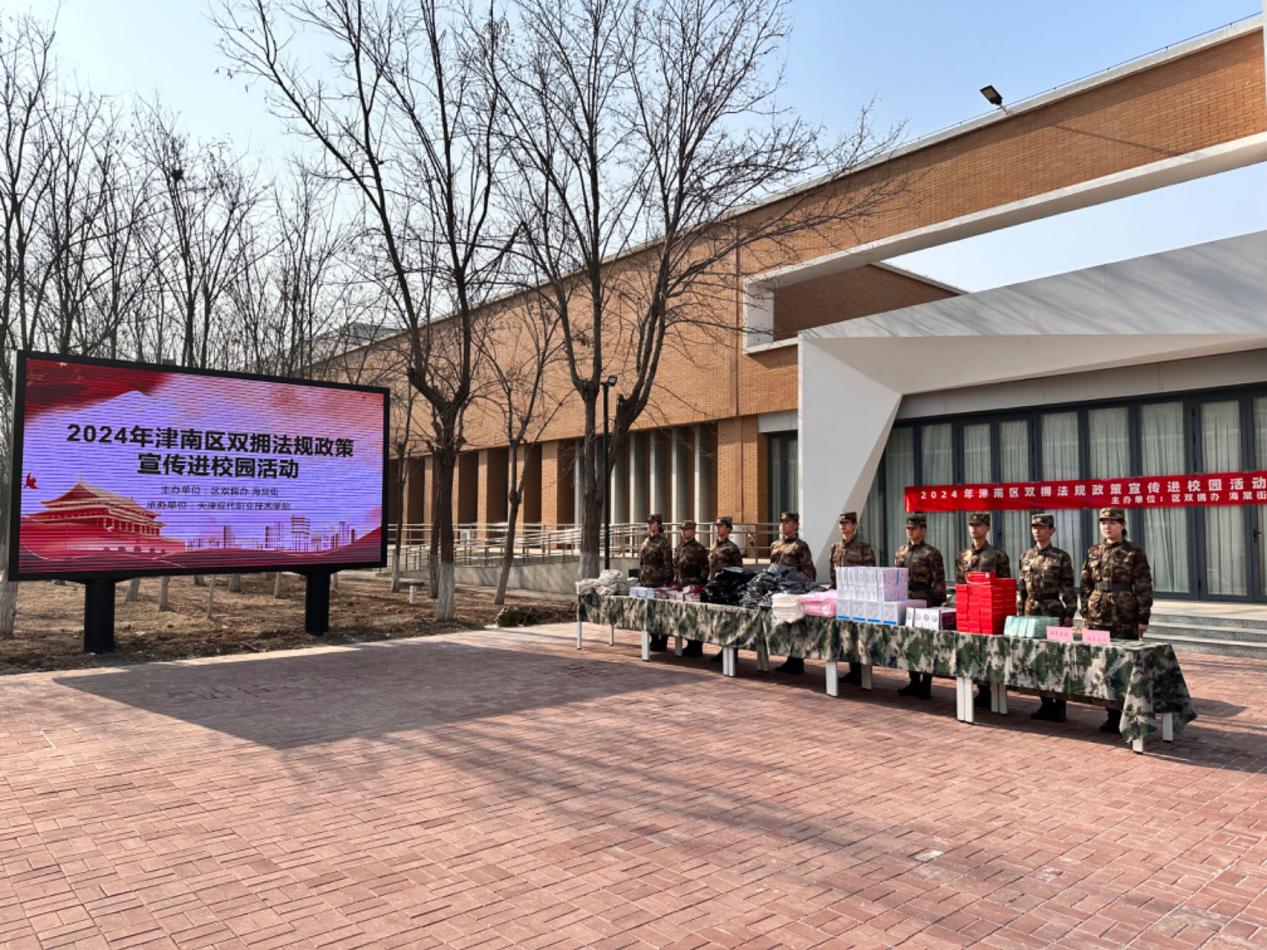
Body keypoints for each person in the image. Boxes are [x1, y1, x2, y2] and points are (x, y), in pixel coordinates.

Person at [1081, 506, 1154, 733]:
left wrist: (1143, 617)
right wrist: (1085, 612)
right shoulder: (1094, 551)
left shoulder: (1134, 552)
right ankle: (1111, 715)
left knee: (1124, 665)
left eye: (1112, 522)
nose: (1107, 526)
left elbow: (1143, 585)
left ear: (1122, 525)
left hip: (1124, 616)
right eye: (1103, 522)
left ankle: (1127, 713)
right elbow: (1085, 583)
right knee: (1102, 665)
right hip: (1097, 616)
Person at [1017, 512, 1077, 722]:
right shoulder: (1026, 556)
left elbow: (1068, 588)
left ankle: (1059, 706)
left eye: (1042, 527)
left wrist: (1069, 614)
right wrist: (1019, 613)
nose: (1037, 531)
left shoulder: (1061, 557)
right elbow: (1022, 588)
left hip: (1053, 611)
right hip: (1031, 611)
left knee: (1057, 658)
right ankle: (1044, 702)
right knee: (1036, 658)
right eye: (1034, 527)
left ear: (1052, 530)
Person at [954, 512, 1011, 710]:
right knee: (972, 649)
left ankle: (994, 692)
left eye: (979, 525)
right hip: (970, 611)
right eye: (971, 525)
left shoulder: (997, 555)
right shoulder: (963, 555)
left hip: (991, 611)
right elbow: (960, 584)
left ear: (987, 528)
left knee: (991, 650)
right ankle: (981, 689)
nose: (974, 528)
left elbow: (1005, 585)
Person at [894, 513, 945, 698]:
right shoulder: (901, 552)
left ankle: (926, 684)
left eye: (914, 528)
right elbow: (895, 579)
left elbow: (938, 581)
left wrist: (936, 604)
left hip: (925, 603)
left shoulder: (931, 553)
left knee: (925, 644)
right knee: (908, 643)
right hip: (905, 603)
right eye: (908, 528)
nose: (910, 531)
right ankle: (914, 681)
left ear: (923, 530)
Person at [830, 510, 875, 684]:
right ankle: (852, 670)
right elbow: (832, 574)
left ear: (854, 525)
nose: (843, 526)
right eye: (841, 523)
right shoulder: (835, 548)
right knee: (845, 634)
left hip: (858, 598)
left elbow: (871, 574)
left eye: (846, 523)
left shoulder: (863, 548)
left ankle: (861, 673)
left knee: (859, 635)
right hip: (841, 597)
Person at [769, 511, 815, 673]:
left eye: (787, 522)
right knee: (783, 627)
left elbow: (809, 572)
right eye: (782, 522)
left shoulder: (800, 546)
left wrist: (802, 591)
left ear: (796, 525)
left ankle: (796, 661)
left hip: (793, 593)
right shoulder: (775, 545)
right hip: (778, 593)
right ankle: (790, 657)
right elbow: (771, 569)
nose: (783, 525)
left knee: (795, 626)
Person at [708, 515, 746, 665]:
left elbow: (738, 570)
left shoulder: (732, 548)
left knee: (730, 622)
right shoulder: (714, 546)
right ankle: (723, 649)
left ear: (729, 529)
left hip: (727, 590)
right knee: (719, 622)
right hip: (715, 589)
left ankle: (732, 652)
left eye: (721, 526)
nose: (718, 528)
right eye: (717, 526)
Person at [638, 513, 674, 652]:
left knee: (662, 613)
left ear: (658, 524)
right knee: (649, 613)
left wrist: (667, 582)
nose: (649, 525)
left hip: (659, 583)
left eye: (652, 522)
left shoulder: (663, 542)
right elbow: (642, 562)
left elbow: (668, 563)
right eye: (648, 522)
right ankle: (653, 638)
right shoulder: (646, 541)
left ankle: (662, 641)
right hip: (646, 583)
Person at [674, 520, 710, 656]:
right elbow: (676, 566)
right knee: (684, 618)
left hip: (693, 588)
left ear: (693, 531)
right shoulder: (679, 547)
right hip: (681, 588)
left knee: (695, 618)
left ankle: (696, 647)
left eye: (687, 529)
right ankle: (689, 644)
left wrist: (700, 584)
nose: (684, 532)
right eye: (682, 530)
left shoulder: (699, 549)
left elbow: (705, 568)